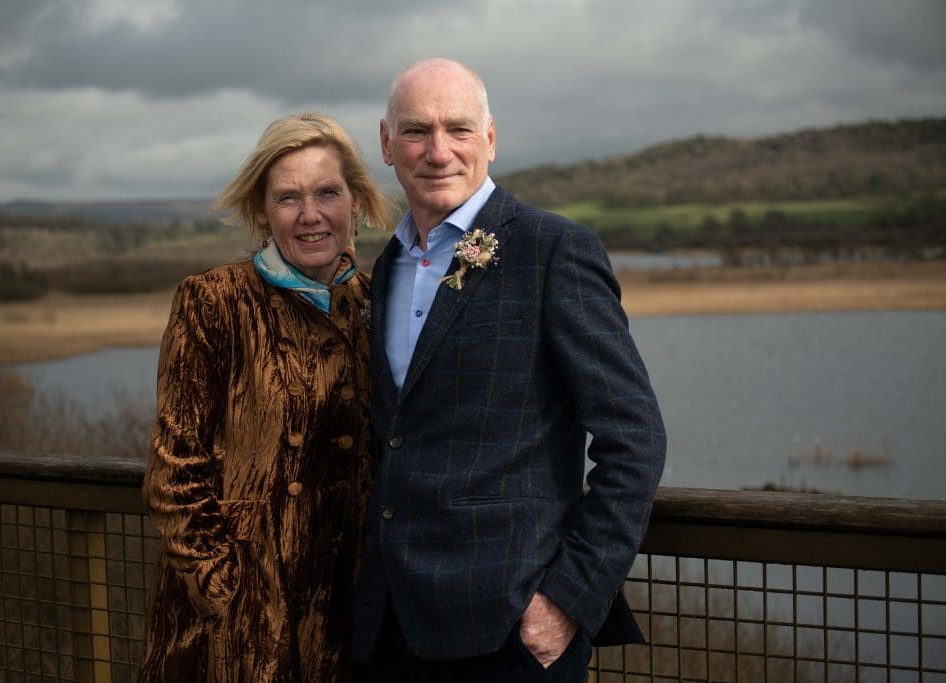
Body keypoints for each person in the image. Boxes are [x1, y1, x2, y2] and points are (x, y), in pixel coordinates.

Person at [352, 58, 667, 681]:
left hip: (510, 634)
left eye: (459, 130)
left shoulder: (552, 251)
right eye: (416, 130)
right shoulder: (386, 266)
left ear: (490, 139)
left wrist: (568, 601)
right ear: (387, 145)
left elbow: (634, 438)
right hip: (390, 628)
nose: (438, 151)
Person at [139, 112, 391, 682]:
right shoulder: (215, 302)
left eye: (328, 192)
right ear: (261, 211)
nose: (310, 215)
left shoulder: (378, 303)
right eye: (288, 198)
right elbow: (174, 473)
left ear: (355, 203)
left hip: (347, 620)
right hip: (238, 634)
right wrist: (230, 592)